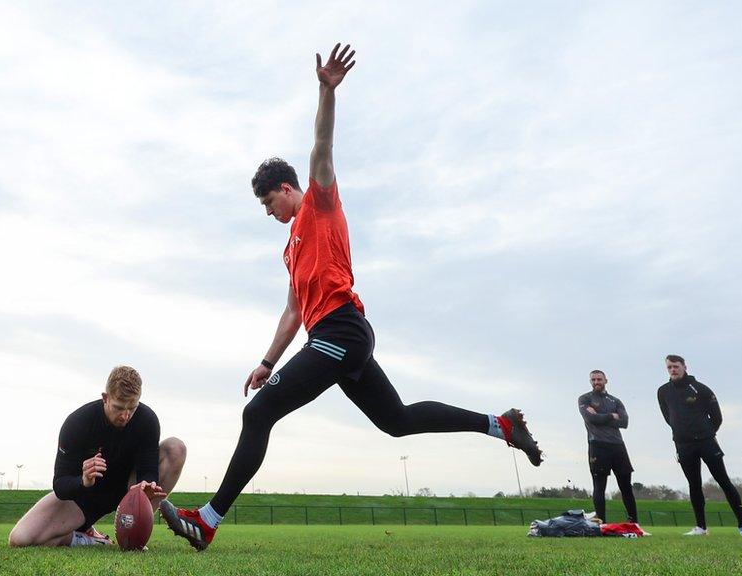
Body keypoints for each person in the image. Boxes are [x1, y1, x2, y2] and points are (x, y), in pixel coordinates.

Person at [159, 43, 542, 552]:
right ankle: (501, 425)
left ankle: (207, 520)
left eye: (270, 201)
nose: (269, 211)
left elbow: (322, 145)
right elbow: (293, 311)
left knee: (259, 415)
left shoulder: (319, 205)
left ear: (290, 189)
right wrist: (266, 361)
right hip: (333, 337)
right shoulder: (292, 251)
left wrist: (326, 91)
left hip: (342, 330)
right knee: (398, 421)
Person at [8, 365, 187, 547]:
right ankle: (89, 539)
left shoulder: (147, 420)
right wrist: (83, 480)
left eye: (132, 408)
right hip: (86, 496)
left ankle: (134, 535)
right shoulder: (78, 423)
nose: (125, 416)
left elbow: (148, 468)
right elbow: (60, 484)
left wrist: (147, 483)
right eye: (118, 408)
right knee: (20, 539)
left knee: (176, 448)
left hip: (129, 491)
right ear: (105, 398)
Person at [657, 354, 742, 536]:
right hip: (683, 445)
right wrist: (682, 433)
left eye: (676, 366)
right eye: (669, 367)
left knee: (724, 481)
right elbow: (668, 417)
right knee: (694, 485)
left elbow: (717, 417)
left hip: (706, 442)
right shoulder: (663, 391)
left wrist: (706, 432)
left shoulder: (701, 389)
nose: (673, 370)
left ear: (685, 367)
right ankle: (701, 527)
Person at [578, 370, 637, 524]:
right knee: (599, 486)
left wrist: (600, 416)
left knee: (626, 486)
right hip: (597, 445)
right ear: (590, 381)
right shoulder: (585, 398)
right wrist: (612, 415)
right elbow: (591, 418)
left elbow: (624, 422)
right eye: (593, 379)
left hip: (618, 446)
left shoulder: (615, 401)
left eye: (599, 379)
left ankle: (634, 522)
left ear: (606, 380)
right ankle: (601, 522)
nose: (596, 382)